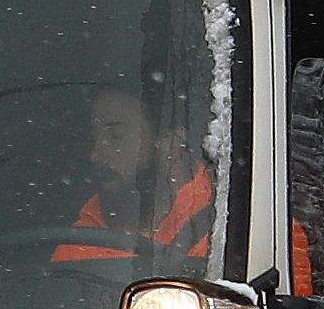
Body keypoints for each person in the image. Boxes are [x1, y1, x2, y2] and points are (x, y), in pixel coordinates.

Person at [46, 83, 216, 272]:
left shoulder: (220, 227)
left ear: (168, 142)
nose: (95, 154)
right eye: (93, 138)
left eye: (116, 136)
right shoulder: (76, 249)